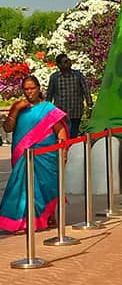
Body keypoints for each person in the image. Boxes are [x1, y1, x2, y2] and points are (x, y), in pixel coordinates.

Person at [0, 75, 68, 232]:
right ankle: (25, 220)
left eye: (32, 88)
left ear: (39, 89)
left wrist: (63, 151)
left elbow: (60, 130)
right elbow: (8, 128)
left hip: (45, 157)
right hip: (23, 157)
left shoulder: (48, 109)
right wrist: (16, 109)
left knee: (45, 187)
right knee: (24, 188)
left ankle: (47, 216)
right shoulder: (19, 108)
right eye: (26, 89)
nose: (29, 92)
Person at [46, 53, 92, 139]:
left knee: (73, 135)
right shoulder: (54, 77)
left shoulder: (78, 75)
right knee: (63, 136)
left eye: (69, 60)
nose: (69, 63)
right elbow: (49, 94)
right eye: (65, 61)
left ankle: (71, 151)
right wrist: (47, 110)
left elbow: (86, 90)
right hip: (61, 113)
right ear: (59, 65)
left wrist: (89, 106)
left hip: (76, 111)